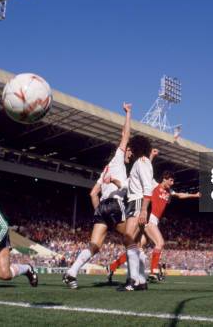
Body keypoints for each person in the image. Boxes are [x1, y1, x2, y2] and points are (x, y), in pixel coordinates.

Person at [62, 103, 133, 289]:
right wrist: (128, 113)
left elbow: (93, 193)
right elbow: (125, 134)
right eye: (129, 151)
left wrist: (99, 212)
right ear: (123, 151)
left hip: (101, 207)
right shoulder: (118, 158)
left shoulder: (106, 169)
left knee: (95, 245)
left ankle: (71, 272)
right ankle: (134, 278)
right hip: (115, 204)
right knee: (131, 238)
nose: (130, 153)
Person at [106, 170, 200, 282]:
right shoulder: (154, 184)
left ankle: (112, 267)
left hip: (154, 221)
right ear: (164, 178)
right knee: (160, 243)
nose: (172, 183)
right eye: (171, 180)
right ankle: (153, 272)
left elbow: (179, 195)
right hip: (149, 219)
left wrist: (194, 195)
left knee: (136, 248)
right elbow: (140, 176)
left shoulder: (169, 191)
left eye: (173, 181)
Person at [118, 135, 155, 291]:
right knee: (136, 243)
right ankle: (140, 280)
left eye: (131, 148)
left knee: (128, 238)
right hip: (135, 202)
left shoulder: (142, 162)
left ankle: (133, 280)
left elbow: (147, 188)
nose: (130, 151)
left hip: (139, 202)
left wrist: (143, 210)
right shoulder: (139, 163)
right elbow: (129, 185)